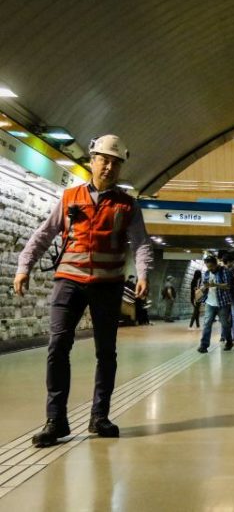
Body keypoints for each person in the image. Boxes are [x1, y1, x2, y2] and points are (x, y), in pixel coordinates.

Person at [13, 134, 152, 448]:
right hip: (69, 281)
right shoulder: (70, 197)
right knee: (58, 346)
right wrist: (25, 265)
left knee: (106, 352)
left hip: (108, 285)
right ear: (92, 161)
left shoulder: (127, 204)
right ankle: (56, 420)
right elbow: (44, 234)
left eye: (116, 163)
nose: (109, 167)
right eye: (104, 159)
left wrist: (142, 273)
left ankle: (99, 416)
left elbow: (141, 243)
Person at [197, 255, 234, 353]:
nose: (210, 269)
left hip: (223, 303)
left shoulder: (224, 271)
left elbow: (228, 286)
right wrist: (204, 288)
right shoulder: (206, 273)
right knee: (207, 324)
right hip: (210, 302)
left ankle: (229, 342)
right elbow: (205, 286)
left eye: (211, 267)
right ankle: (204, 346)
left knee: (225, 324)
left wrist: (216, 285)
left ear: (216, 264)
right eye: (208, 267)